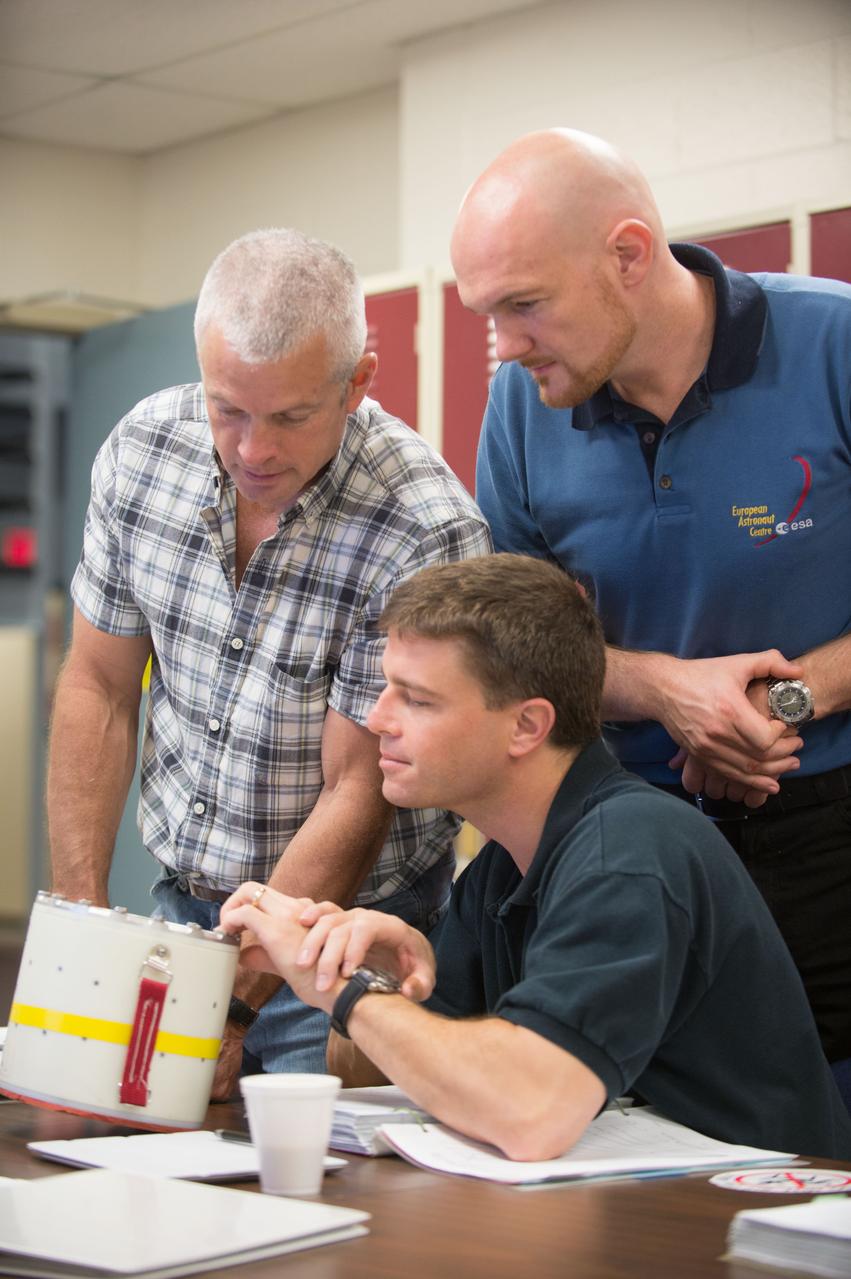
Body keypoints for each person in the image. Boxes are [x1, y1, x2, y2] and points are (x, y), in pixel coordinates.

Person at [448, 128, 851, 1102]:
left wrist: (781, 702)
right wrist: (668, 693)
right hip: (628, 841)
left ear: (627, 255)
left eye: (524, 305)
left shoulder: (831, 344)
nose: (503, 346)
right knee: (646, 1134)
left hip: (828, 825)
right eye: (486, 314)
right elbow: (516, 649)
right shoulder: (520, 408)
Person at [47, 227, 491, 1091]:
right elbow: (98, 685)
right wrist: (83, 919)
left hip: (343, 933)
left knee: (316, 1165)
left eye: (289, 416)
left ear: (356, 382)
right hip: (184, 904)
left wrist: (232, 1007)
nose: (253, 449)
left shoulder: (419, 526)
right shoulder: (144, 452)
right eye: (228, 410)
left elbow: (356, 785)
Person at [220, 555, 851, 1161]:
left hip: (750, 1214)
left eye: (417, 699)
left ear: (527, 726)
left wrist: (338, 992)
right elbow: (371, 1075)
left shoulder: (628, 853)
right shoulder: (502, 868)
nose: (378, 717)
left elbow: (530, 1112)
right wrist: (373, 980)